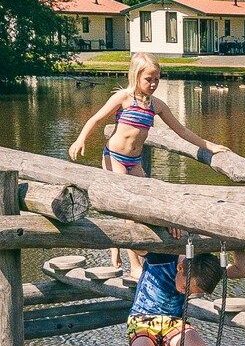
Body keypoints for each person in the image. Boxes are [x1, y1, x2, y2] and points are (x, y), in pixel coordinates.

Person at [68, 52, 219, 277]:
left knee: (148, 201)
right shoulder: (124, 98)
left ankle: (118, 247)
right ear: (136, 76)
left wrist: (209, 146)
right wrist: (80, 139)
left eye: (157, 79)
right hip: (114, 158)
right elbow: (96, 119)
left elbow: (182, 131)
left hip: (134, 161)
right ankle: (135, 266)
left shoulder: (157, 105)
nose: (154, 83)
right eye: (149, 79)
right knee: (129, 207)